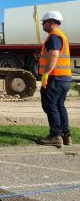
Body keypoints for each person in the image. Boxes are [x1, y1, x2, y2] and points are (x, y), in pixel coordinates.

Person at [36, 11, 72, 148]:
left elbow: (54, 55)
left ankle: (55, 136)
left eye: (44, 22)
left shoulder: (54, 37)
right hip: (64, 78)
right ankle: (65, 135)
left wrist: (46, 74)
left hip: (54, 78)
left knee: (51, 106)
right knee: (59, 106)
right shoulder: (61, 36)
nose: (43, 25)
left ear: (51, 22)